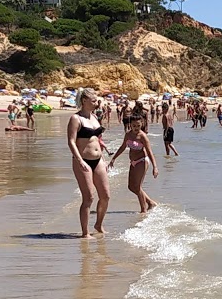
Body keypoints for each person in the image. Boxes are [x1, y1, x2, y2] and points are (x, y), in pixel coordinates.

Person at [66, 88, 110, 238]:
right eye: (93, 101)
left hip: (98, 161)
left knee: (105, 195)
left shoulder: (94, 117)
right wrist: (79, 160)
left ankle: (98, 224)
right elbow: (71, 142)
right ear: (84, 101)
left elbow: (96, 139)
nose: (96, 103)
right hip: (82, 161)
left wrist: (103, 158)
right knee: (89, 197)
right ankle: (85, 233)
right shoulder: (75, 119)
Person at [110, 116, 159, 214]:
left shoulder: (142, 136)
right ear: (130, 125)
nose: (136, 128)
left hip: (142, 161)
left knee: (137, 186)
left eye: (138, 126)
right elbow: (123, 147)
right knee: (131, 187)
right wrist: (113, 158)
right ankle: (150, 202)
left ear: (142, 124)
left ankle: (143, 210)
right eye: (134, 126)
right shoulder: (128, 135)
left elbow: (149, 152)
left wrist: (155, 167)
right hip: (133, 162)